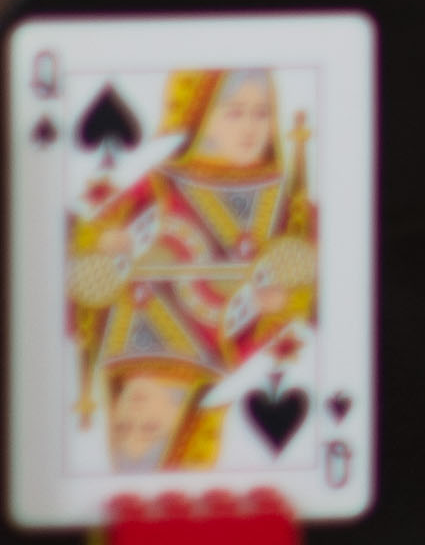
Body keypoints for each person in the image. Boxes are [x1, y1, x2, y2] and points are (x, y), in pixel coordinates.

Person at [68, 66, 314, 471]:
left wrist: (108, 238)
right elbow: (90, 233)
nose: (250, 127)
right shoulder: (164, 179)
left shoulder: (280, 195)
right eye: (235, 113)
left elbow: (304, 274)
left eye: (261, 113)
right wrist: (275, 305)